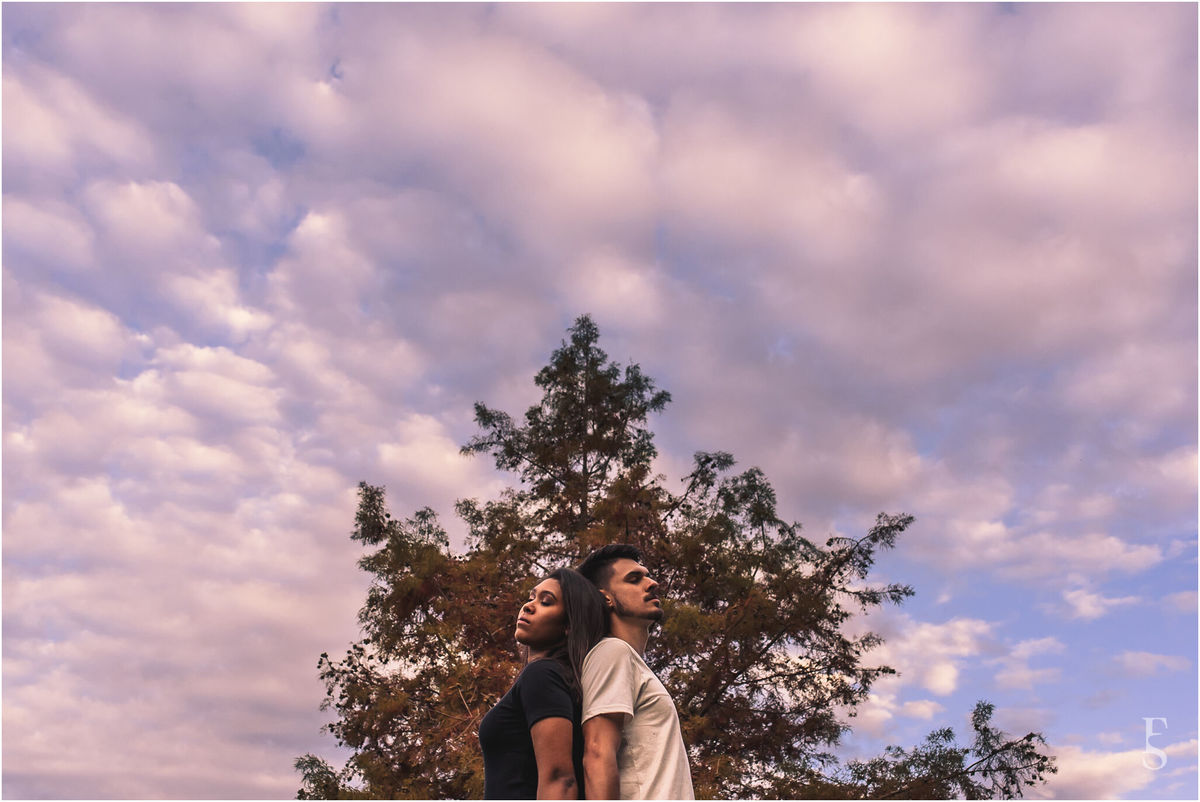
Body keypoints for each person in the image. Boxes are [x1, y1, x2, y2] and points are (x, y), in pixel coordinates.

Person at [577, 545, 695, 800]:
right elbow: (597, 752)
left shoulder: (627, 660)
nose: (652, 583)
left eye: (647, 575)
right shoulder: (612, 652)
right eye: (634, 579)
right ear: (605, 597)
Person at [479, 567, 607, 800]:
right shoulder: (550, 678)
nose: (528, 606)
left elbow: (560, 779)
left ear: (568, 626)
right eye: (531, 598)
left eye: (546, 602)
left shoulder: (542, 675)